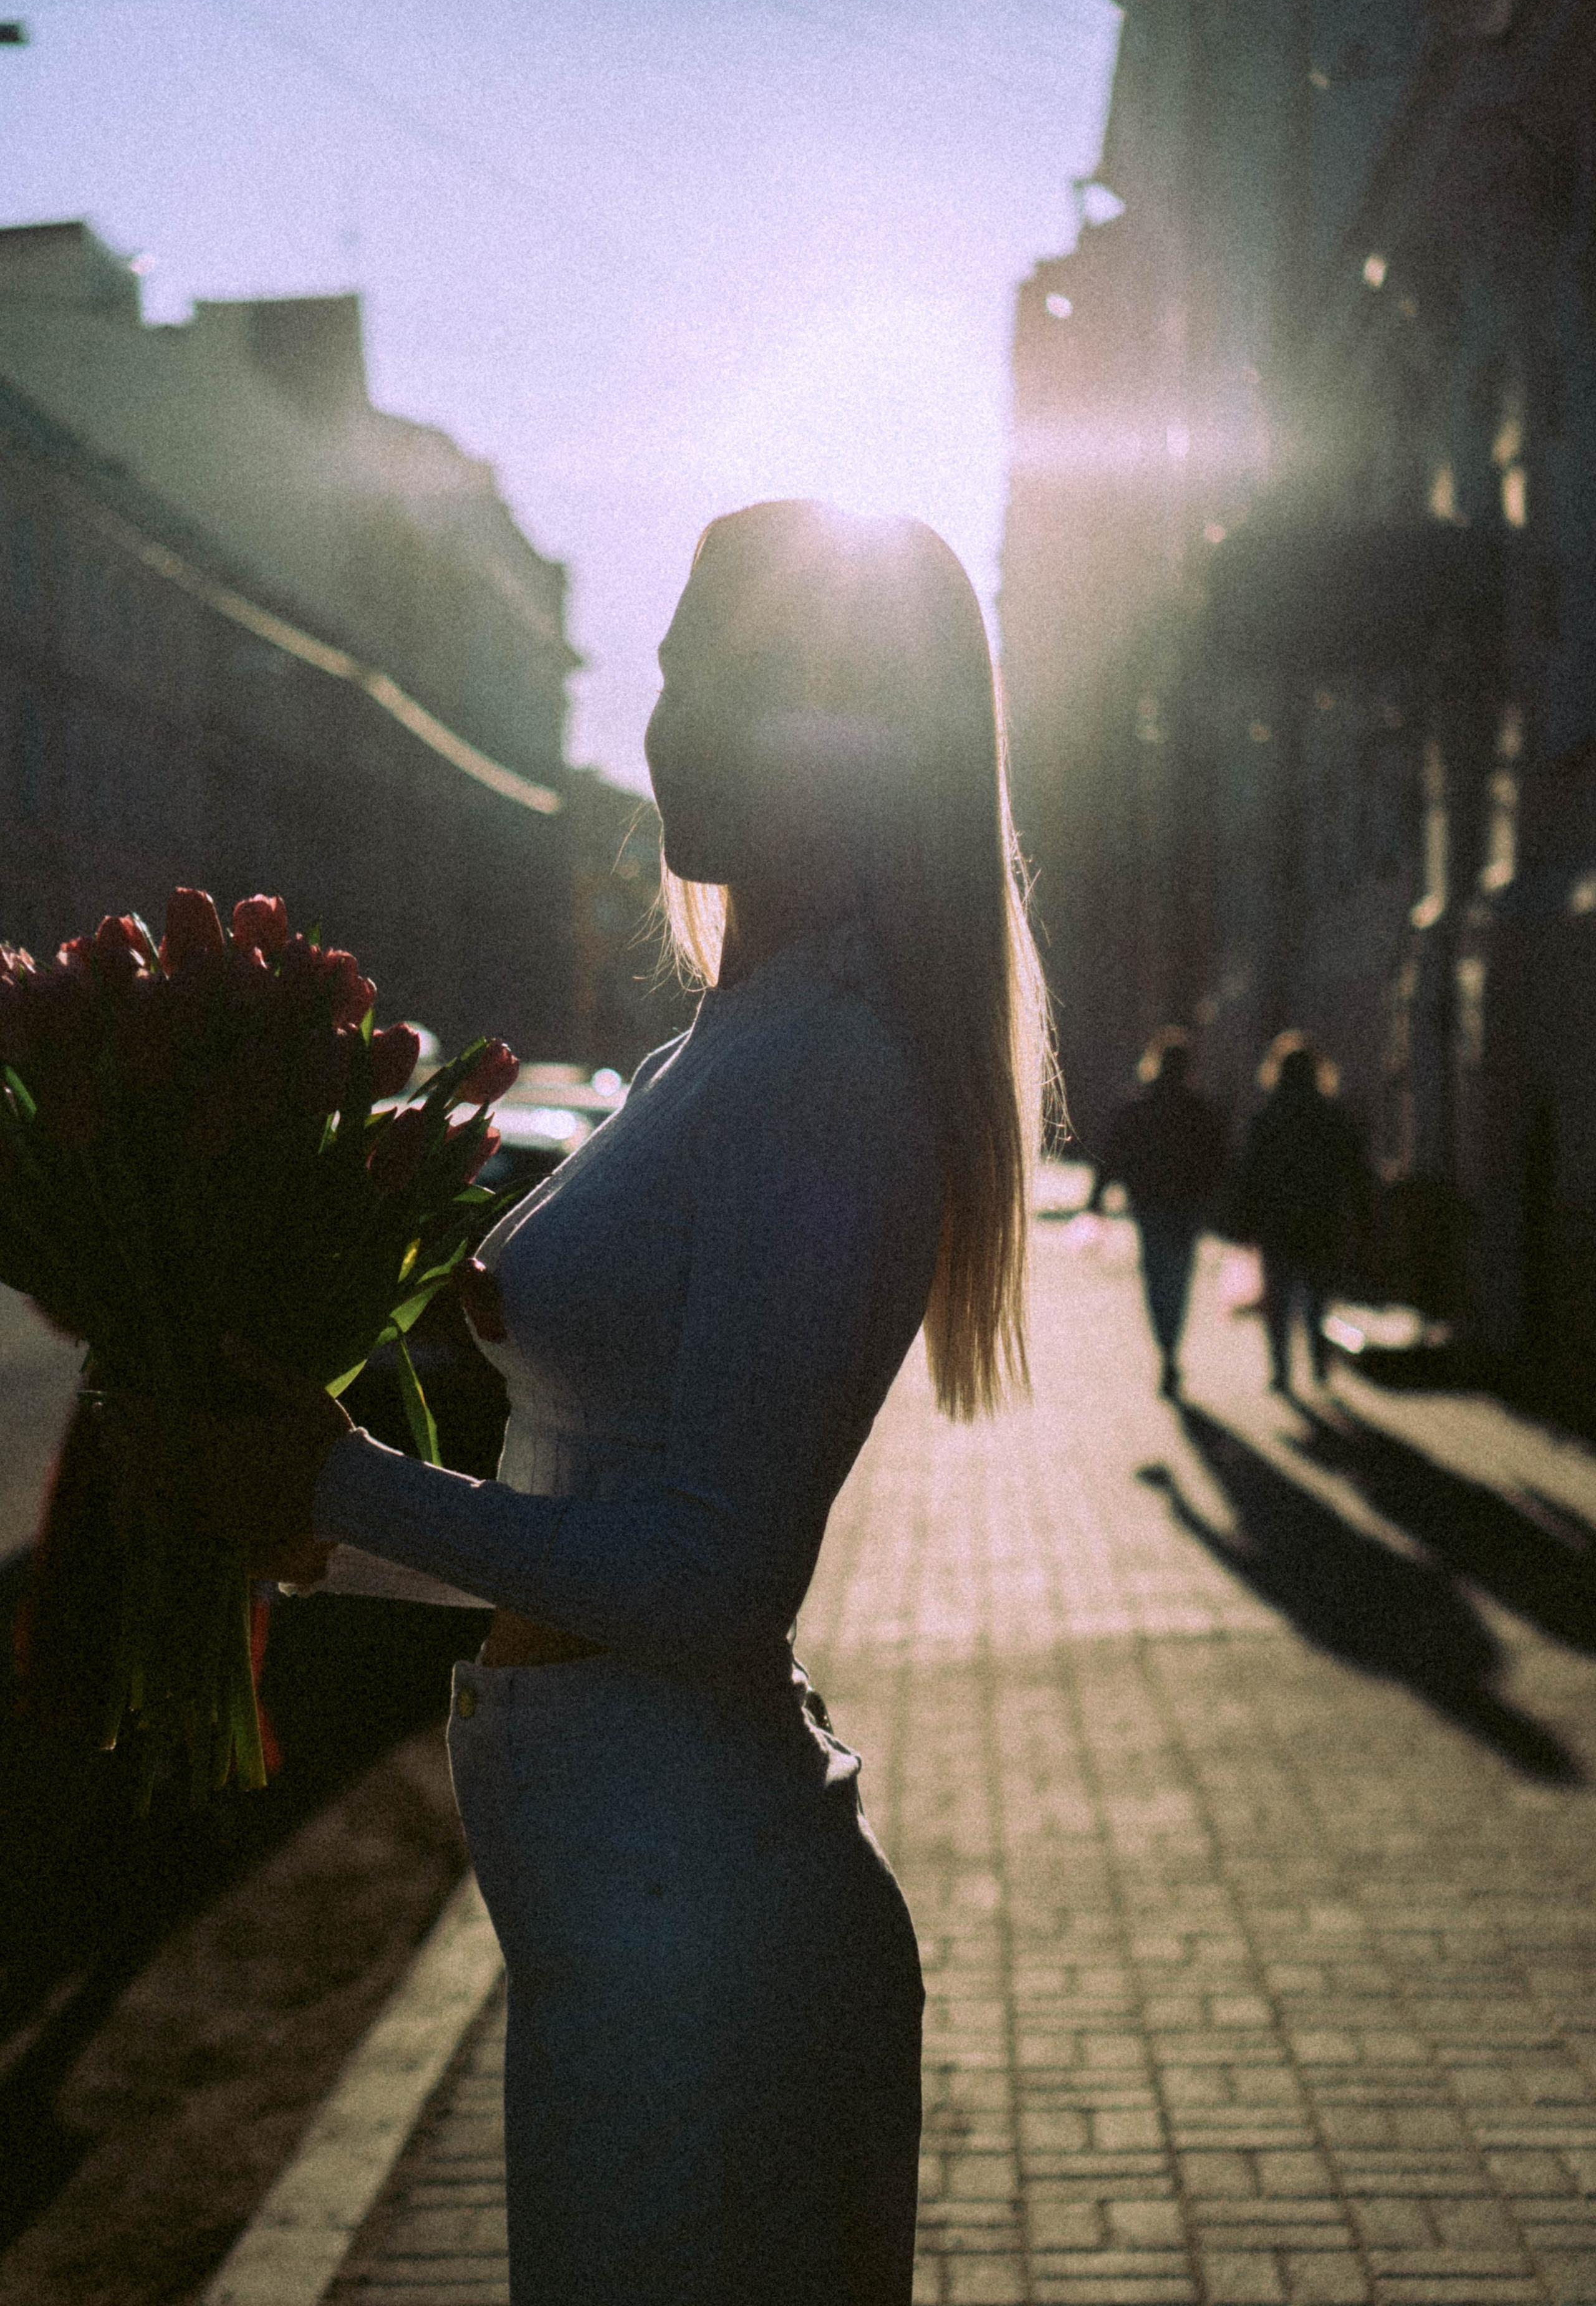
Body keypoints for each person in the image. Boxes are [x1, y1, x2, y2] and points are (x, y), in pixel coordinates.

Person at [127, 501, 1052, 2305]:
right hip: (639, 1931)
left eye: (755, 679)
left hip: (703, 1945)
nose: (683, 718)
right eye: (676, 664)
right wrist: (320, 1523)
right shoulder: (737, 1038)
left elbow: (711, 1576)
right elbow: (587, 1514)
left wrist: (345, 1485)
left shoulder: (834, 1069)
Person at [1087, 1031, 1228, 1398]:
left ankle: (1165, 1349)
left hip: (1149, 1204)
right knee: (1179, 1280)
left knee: (1155, 1276)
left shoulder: (1139, 1107)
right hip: (1187, 1207)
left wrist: (1097, 1197)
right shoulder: (1200, 1111)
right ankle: (1170, 1349)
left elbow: (1113, 1153)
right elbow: (1219, 1161)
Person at [1231, 1036, 1368, 1394]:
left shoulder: (1267, 1117)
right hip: (1322, 1218)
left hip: (1276, 1221)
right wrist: (1363, 1214)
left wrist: (1242, 1221)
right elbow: (1355, 1171)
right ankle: (1319, 1363)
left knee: (1277, 1297)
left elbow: (1249, 1174)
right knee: (1317, 1297)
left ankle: (1280, 1370)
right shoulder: (1333, 1117)